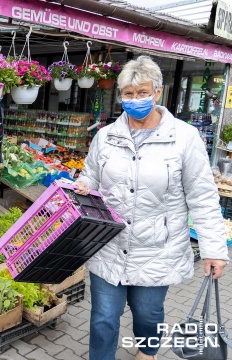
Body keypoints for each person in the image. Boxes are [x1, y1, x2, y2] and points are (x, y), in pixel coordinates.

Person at [74, 55, 229, 360]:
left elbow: (202, 196)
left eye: (142, 92)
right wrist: (84, 186)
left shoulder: (184, 138)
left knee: (148, 315)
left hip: (158, 248)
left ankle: (147, 352)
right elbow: (90, 174)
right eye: (128, 94)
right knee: (103, 318)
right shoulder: (106, 137)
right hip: (109, 245)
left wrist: (213, 248)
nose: (135, 100)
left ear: (158, 92)